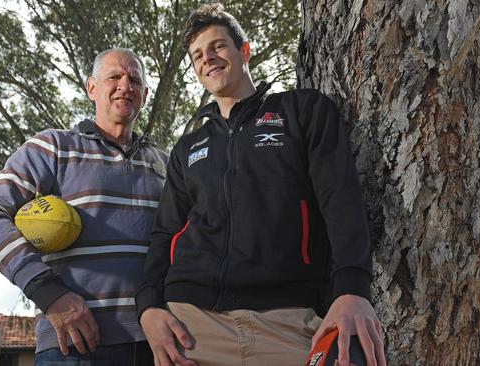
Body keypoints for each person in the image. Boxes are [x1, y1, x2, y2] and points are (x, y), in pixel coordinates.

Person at [136, 4, 386, 366]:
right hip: (192, 324)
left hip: (289, 320)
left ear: (244, 51)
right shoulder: (188, 147)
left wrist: (352, 291)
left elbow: (341, 200)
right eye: (197, 56)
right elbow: (165, 235)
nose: (208, 58)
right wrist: (148, 309)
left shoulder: (303, 111)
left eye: (218, 46)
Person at [0, 48, 167, 366]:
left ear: (144, 94)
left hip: (152, 344)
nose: (124, 85)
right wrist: (49, 293)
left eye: (134, 79)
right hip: (73, 345)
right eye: (114, 77)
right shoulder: (52, 146)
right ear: (92, 88)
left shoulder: (163, 162)